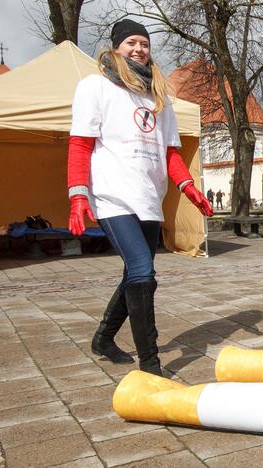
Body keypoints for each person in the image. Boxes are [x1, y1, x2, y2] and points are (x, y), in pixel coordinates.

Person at [67, 19, 213, 376]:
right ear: (116, 46)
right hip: (112, 196)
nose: (139, 49)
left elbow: (171, 155)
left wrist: (188, 187)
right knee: (143, 273)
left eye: (144, 44)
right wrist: (78, 195)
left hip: (148, 198)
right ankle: (151, 365)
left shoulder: (159, 97)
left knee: (137, 274)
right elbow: (80, 144)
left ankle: (103, 338)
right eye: (131, 42)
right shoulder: (95, 87)